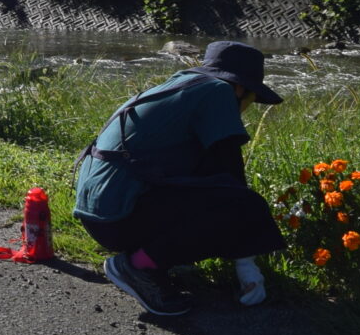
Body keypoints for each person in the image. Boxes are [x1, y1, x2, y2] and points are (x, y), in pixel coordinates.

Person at [74, 41, 285, 318]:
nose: (247, 109)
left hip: (99, 215)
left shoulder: (180, 85)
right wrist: (246, 264)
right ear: (239, 88)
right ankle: (138, 266)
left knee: (223, 199)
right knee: (247, 206)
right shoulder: (219, 91)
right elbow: (232, 181)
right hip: (119, 218)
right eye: (252, 99)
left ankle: (154, 256)